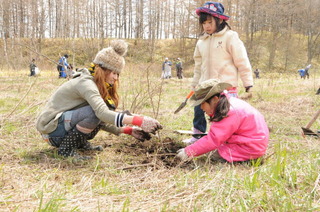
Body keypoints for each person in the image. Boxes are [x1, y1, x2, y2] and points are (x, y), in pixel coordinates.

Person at [36, 40, 162, 160]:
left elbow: (101, 118)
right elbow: (101, 114)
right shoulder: (86, 84)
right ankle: (66, 149)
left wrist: (128, 130)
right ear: (103, 70)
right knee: (95, 112)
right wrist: (138, 120)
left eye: (118, 74)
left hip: (59, 128)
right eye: (114, 73)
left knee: (101, 110)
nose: (116, 78)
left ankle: (78, 143)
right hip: (51, 131)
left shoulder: (94, 84)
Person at [184, 2, 253, 144]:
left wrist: (248, 83)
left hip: (224, 86)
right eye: (204, 23)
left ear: (220, 20)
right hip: (204, 86)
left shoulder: (230, 37)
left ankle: (226, 140)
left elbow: (242, 61)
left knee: (224, 115)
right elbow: (198, 66)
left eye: (210, 22)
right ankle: (198, 136)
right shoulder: (201, 41)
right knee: (198, 110)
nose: (207, 26)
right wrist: (194, 85)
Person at [177, 79, 269, 163]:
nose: (201, 108)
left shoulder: (229, 112)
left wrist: (188, 152)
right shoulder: (228, 104)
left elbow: (213, 139)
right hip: (250, 144)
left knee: (209, 154)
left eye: (202, 104)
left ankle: (244, 160)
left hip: (249, 149)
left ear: (214, 100)